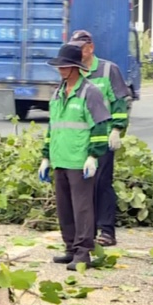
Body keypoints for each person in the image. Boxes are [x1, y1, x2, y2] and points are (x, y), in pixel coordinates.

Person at [38, 43, 111, 270]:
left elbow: (100, 126)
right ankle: (70, 247)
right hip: (60, 158)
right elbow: (53, 127)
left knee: (82, 208)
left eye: (65, 66)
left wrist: (93, 156)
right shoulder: (58, 93)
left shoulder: (90, 92)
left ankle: (83, 252)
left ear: (76, 67)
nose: (61, 70)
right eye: (59, 66)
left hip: (80, 160)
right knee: (64, 207)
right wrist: (46, 157)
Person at [68, 30, 131, 247]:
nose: (77, 53)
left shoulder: (107, 69)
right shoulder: (73, 71)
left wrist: (117, 129)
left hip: (102, 139)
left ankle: (106, 231)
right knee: (83, 186)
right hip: (79, 141)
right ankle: (87, 231)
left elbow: (120, 103)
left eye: (80, 49)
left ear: (90, 48)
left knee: (102, 184)